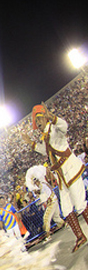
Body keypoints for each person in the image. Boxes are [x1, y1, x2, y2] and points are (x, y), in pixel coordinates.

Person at [22, 105, 87, 252]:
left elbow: (65, 126)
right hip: (62, 176)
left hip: (71, 169)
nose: (38, 123)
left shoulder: (54, 127)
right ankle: (80, 236)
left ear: (45, 117)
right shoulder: (45, 135)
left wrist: (53, 117)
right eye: (36, 121)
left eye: (39, 119)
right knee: (66, 209)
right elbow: (45, 150)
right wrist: (30, 143)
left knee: (80, 204)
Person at [26, 164, 64, 240]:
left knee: (46, 218)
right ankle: (64, 224)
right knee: (56, 217)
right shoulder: (42, 184)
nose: (35, 183)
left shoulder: (42, 185)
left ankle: (47, 235)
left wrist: (35, 190)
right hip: (53, 200)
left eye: (35, 181)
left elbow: (41, 191)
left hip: (52, 202)